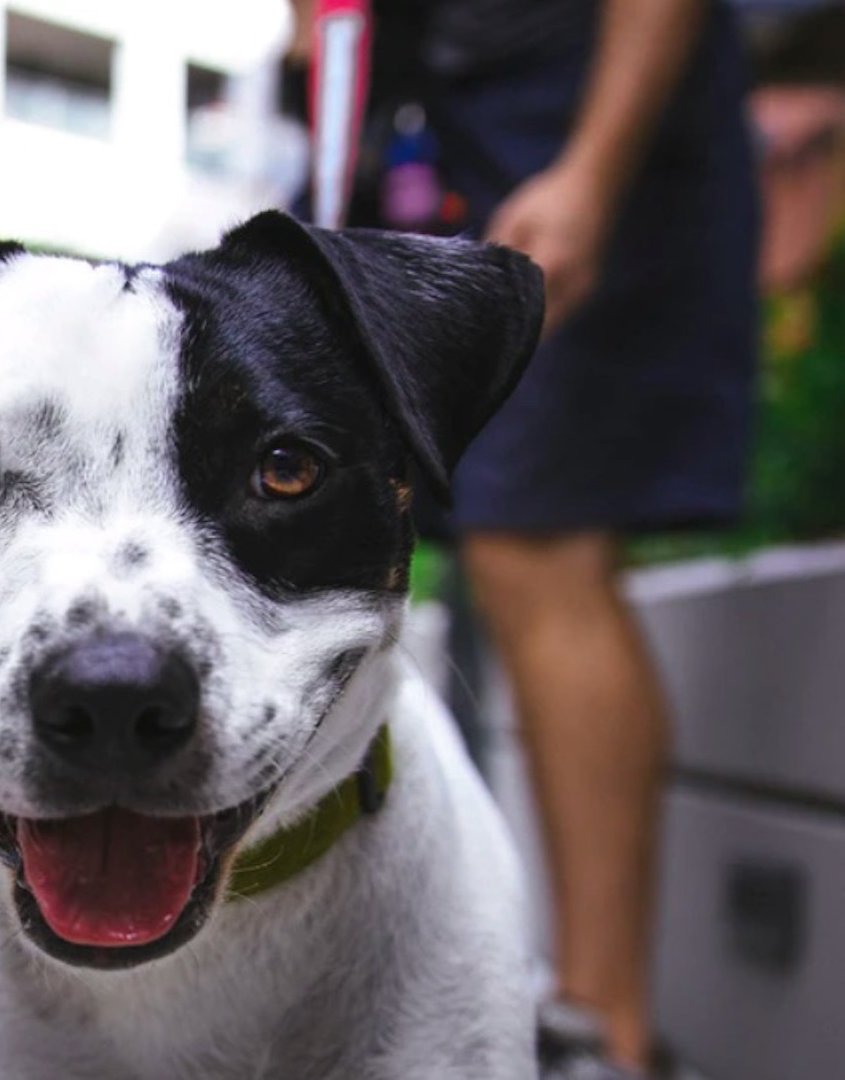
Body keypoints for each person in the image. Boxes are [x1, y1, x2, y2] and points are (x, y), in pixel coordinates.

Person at [286, 2, 761, 1077]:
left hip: (578, 119)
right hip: (430, 117)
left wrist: (593, 170)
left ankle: (607, 1035)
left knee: (537, 544)